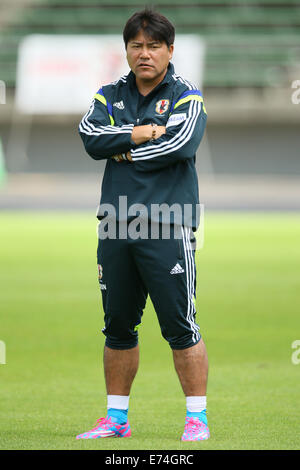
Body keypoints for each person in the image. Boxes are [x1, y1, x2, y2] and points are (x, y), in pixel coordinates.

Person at [76, 8, 209, 442]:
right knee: (117, 326)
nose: (145, 53)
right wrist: (139, 134)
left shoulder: (187, 95)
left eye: (154, 46)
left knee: (180, 326)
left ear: (171, 50)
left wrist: (123, 150)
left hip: (167, 225)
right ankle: (116, 419)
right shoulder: (108, 93)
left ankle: (197, 419)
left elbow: (181, 143)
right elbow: (90, 137)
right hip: (115, 225)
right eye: (137, 45)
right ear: (127, 50)